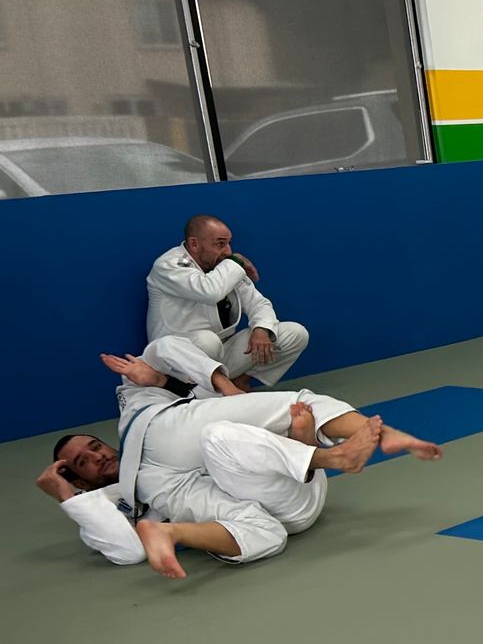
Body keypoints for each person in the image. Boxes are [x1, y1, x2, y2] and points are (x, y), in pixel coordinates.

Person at [40, 340, 439, 578]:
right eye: (82, 463)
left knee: (227, 432)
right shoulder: (108, 500)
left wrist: (169, 381)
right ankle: (172, 533)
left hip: (168, 438)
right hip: (237, 502)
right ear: (82, 481)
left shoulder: (135, 411)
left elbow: (163, 348)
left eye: (94, 447)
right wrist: (64, 494)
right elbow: (125, 551)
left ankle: (330, 448)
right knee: (266, 529)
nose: (94, 457)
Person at [147, 214, 309, 390]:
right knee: (208, 341)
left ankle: (238, 382)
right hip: (177, 361)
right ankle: (196, 390)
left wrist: (261, 329)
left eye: (229, 243)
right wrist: (236, 262)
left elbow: (259, 304)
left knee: (295, 333)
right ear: (194, 244)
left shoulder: (224, 265)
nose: (228, 251)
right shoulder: (169, 265)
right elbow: (210, 291)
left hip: (219, 352)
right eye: (220, 244)